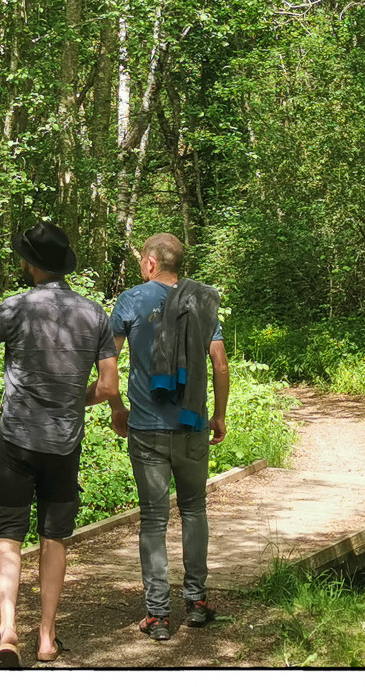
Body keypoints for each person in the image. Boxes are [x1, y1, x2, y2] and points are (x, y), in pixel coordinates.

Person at [0, 220, 119, 668]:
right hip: (64, 445)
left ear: (30, 264)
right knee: (55, 538)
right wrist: (74, 399)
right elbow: (108, 388)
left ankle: (8, 631)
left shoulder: (14, 308)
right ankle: (47, 637)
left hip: (17, 441)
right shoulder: (95, 315)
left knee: (8, 535)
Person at [104, 232, 229, 641]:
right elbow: (220, 366)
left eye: (143, 260)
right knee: (194, 510)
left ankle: (158, 616)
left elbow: (109, 363)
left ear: (151, 263)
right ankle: (196, 601)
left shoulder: (130, 301)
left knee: (154, 519)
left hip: (147, 429)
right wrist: (219, 416)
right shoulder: (204, 301)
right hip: (193, 425)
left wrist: (116, 408)